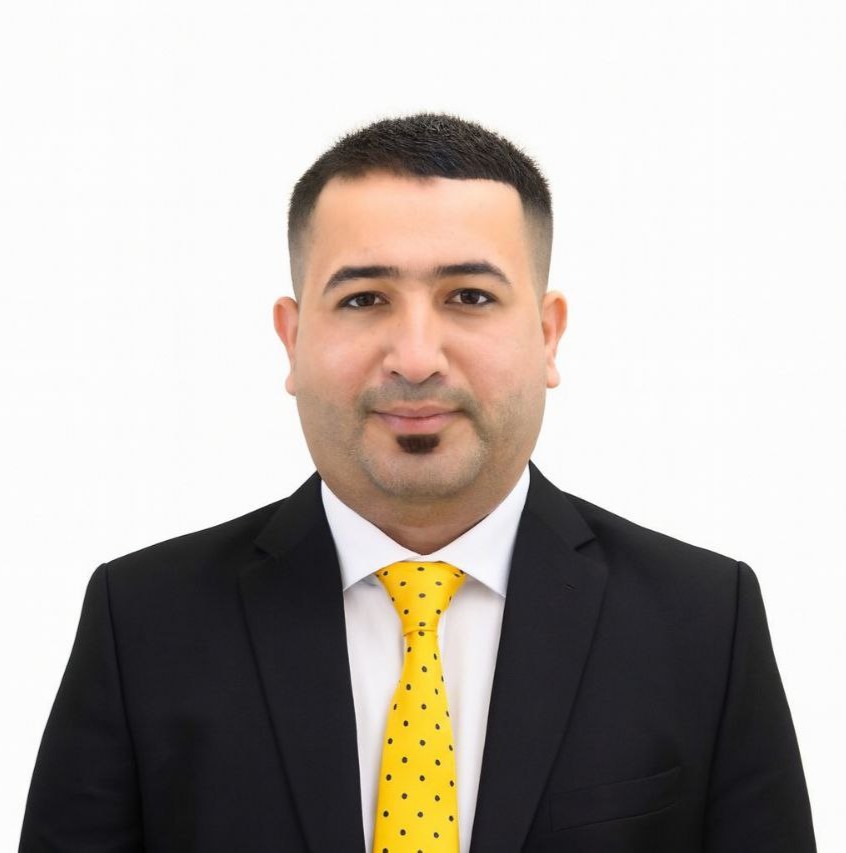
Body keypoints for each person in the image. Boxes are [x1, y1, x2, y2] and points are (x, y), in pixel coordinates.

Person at [19, 113, 816, 852]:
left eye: (469, 296)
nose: (415, 357)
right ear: (292, 341)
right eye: (364, 298)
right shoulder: (143, 622)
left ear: (546, 335)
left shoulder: (705, 623)